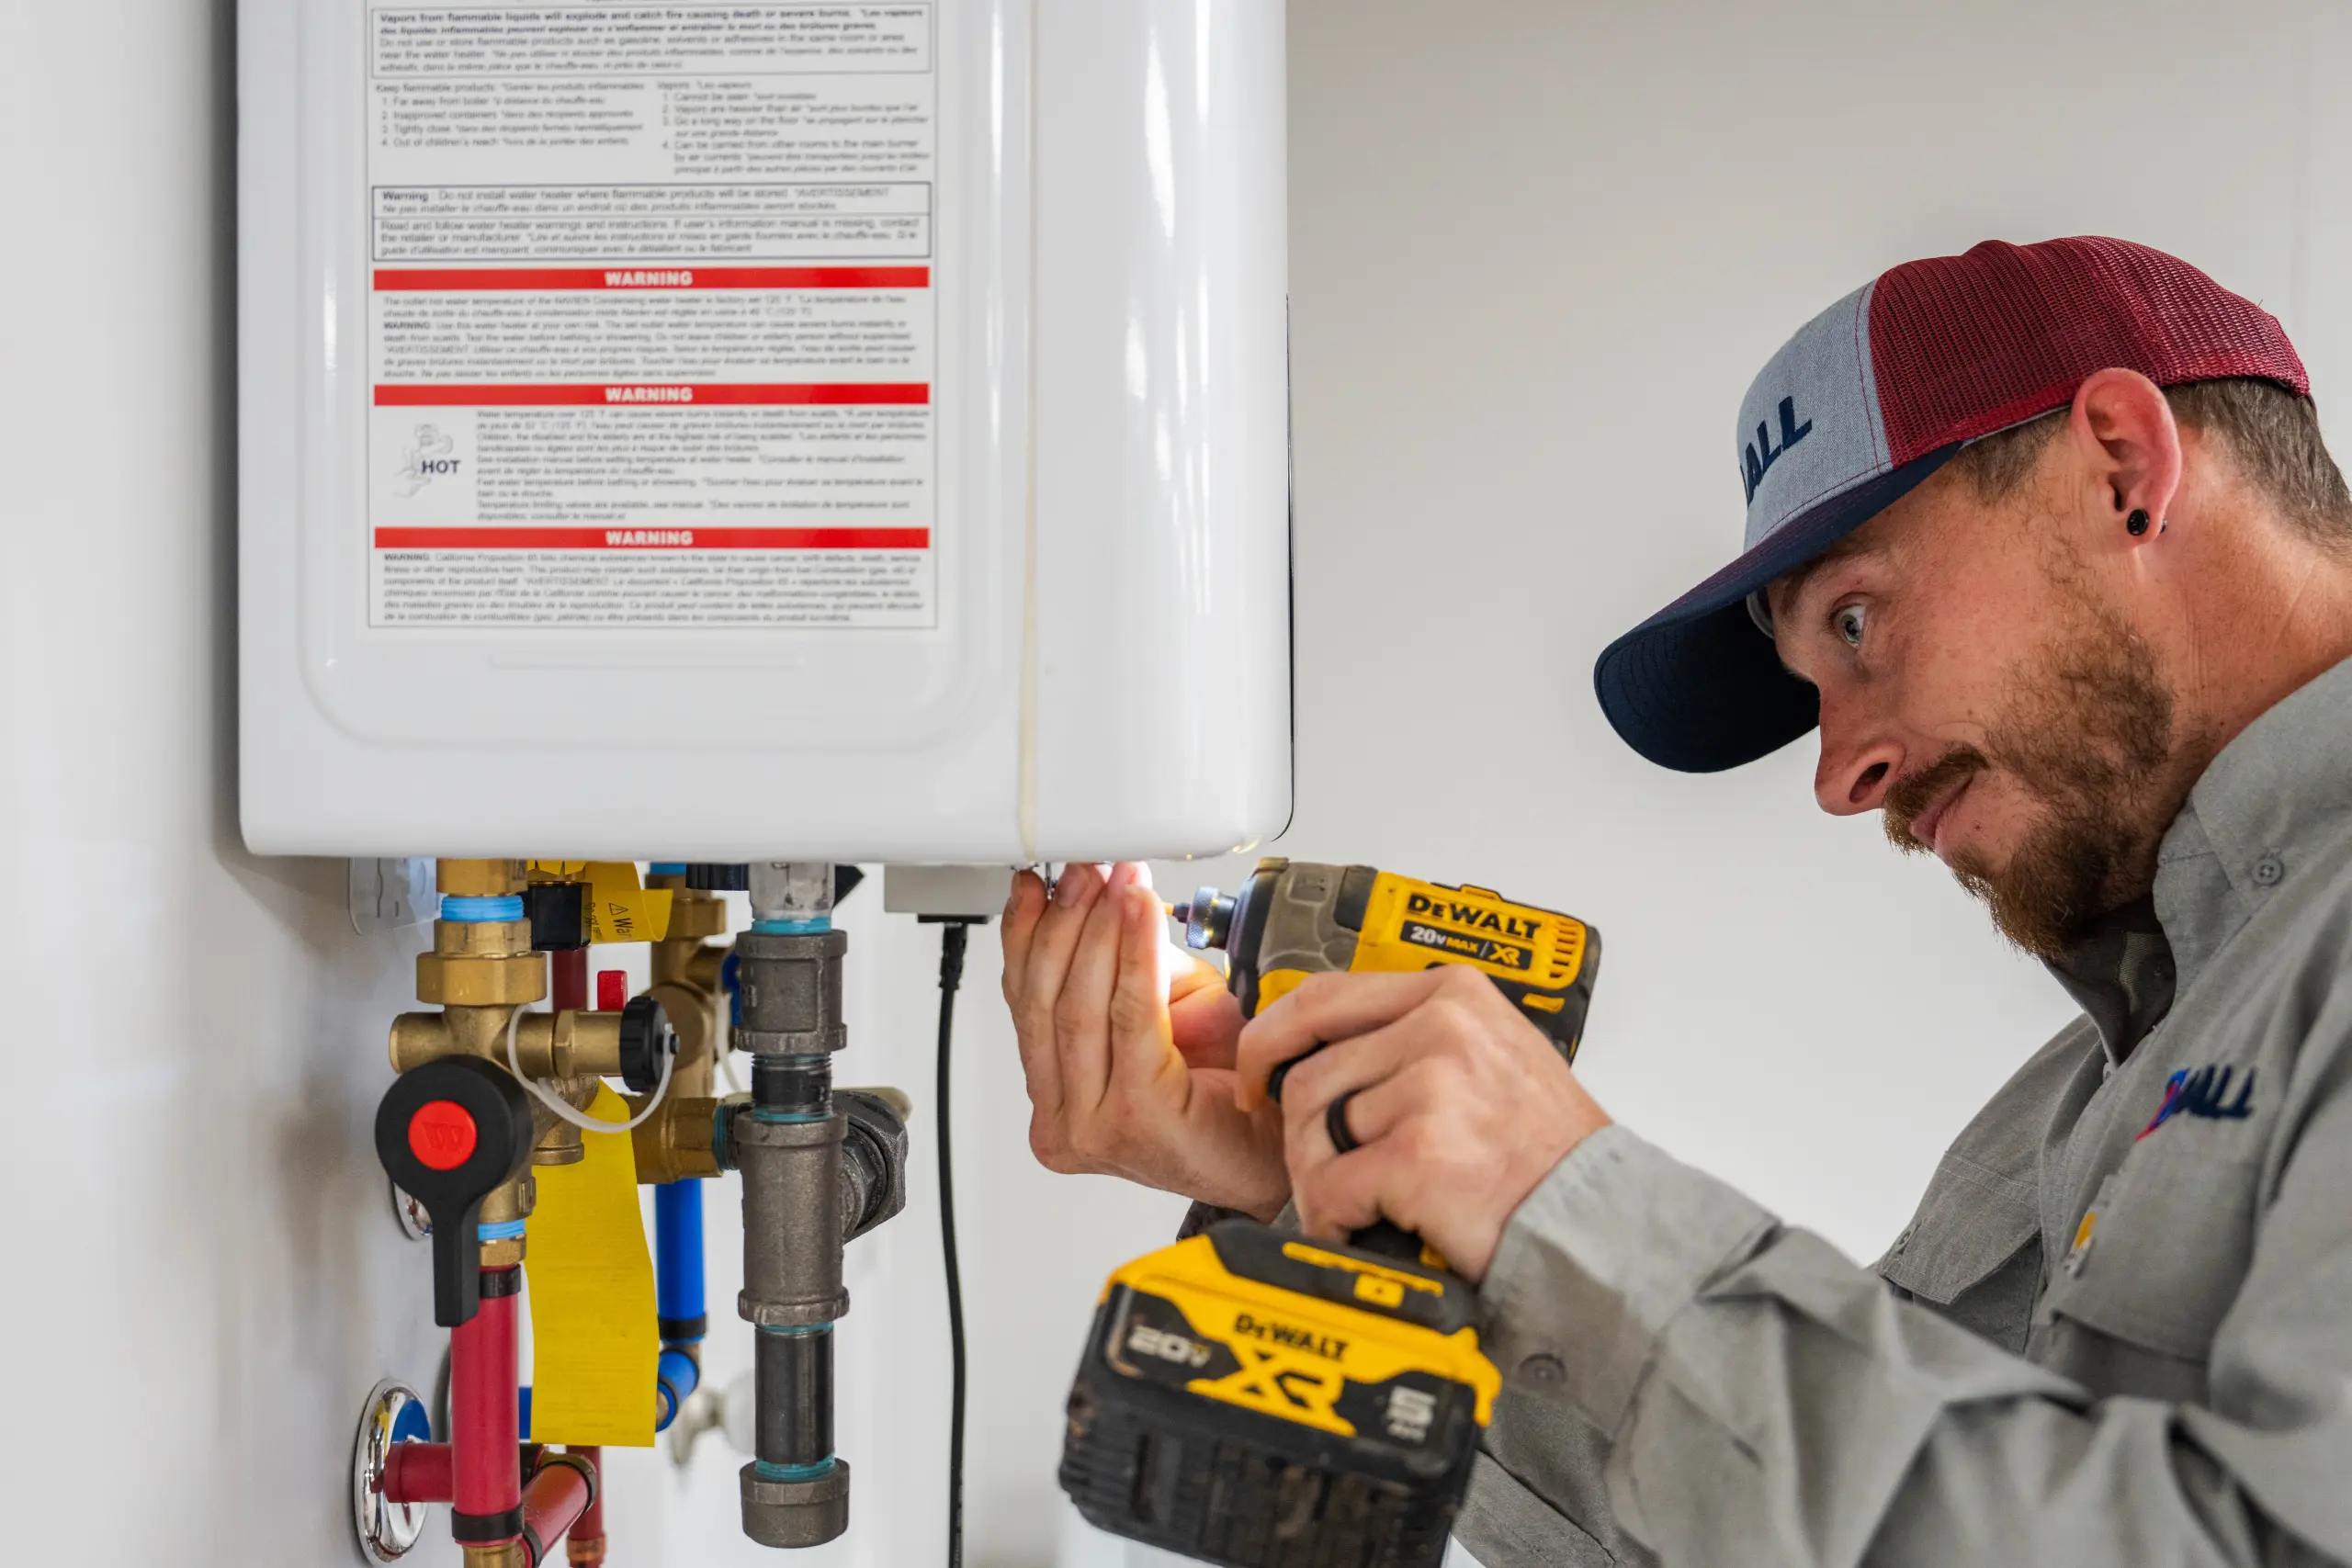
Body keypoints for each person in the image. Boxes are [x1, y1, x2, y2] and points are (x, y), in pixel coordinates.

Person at [999, 236, 2352, 1566]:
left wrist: (1578, 1207)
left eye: (1859, 623)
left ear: (2123, 465)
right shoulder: (2093, 1088)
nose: (1840, 773)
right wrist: (1336, 1192)